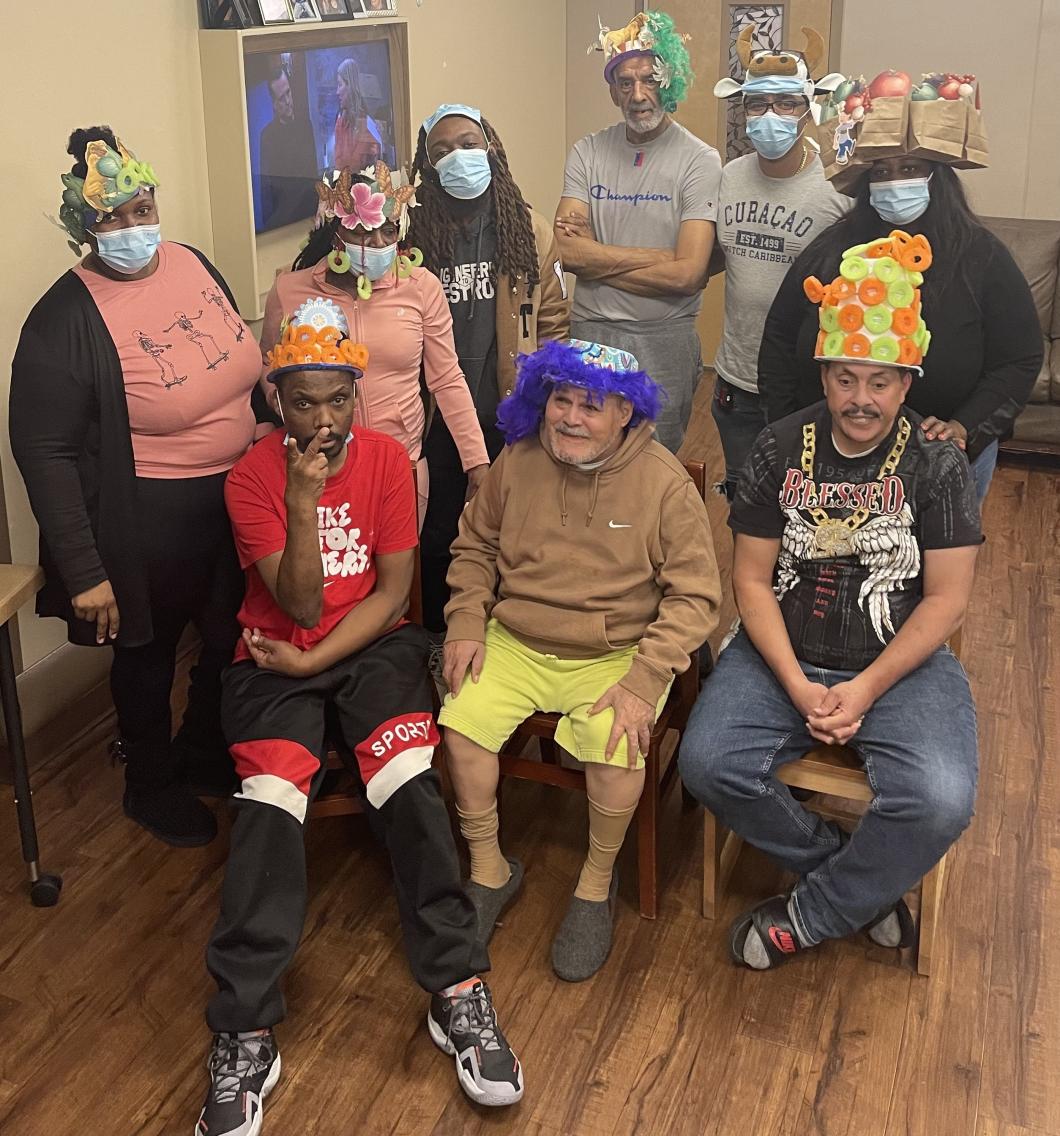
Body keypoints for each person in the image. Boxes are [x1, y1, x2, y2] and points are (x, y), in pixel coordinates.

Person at [195, 303, 522, 1136]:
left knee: (409, 779)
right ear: (277, 403)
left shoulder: (384, 462)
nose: (325, 421)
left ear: (356, 394)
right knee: (271, 798)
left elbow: (388, 592)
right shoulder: (251, 478)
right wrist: (303, 504)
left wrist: (320, 656)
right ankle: (245, 1028)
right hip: (273, 654)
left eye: (338, 399)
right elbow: (297, 603)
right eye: (304, 402)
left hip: (369, 644)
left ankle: (457, 990)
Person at [679, 232, 982, 970]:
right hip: (783, 648)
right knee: (707, 762)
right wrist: (794, 682)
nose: (861, 400)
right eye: (845, 380)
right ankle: (860, 880)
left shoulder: (938, 466)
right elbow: (749, 579)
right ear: (825, 375)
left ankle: (811, 913)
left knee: (941, 798)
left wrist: (865, 688)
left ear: (906, 383)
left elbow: (946, 599)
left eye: (879, 383)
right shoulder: (779, 449)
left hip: (900, 662)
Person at [10, 127, 270, 847]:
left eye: (142, 209)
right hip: (147, 522)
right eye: (112, 218)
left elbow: (242, 365)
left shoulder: (190, 262)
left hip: (234, 499)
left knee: (229, 635)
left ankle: (203, 747)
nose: (134, 228)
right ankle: (149, 782)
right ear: (84, 230)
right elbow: (46, 451)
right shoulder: (65, 317)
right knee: (147, 657)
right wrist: (88, 572)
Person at [439, 340, 721, 981]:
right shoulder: (517, 461)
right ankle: (490, 869)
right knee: (461, 724)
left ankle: (595, 886)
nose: (569, 417)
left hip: (615, 649)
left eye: (590, 406)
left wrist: (646, 679)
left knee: (616, 738)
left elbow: (696, 595)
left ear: (624, 410)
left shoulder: (664, 483)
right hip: (515, 637)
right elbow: (475, 546)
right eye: (559, 400)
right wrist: (463, 622)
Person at [758, 71, 1041, 501]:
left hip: (942, 462)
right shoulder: (832, 248)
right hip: (827, 461)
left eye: (910, 169)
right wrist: (788, 431)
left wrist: (967, 426)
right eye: (882, 172)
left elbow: (1019, 358)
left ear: (938, 176)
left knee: (935, 567)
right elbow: (778, 339)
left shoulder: (983, 256)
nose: (895, 183)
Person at [409, 102, 570, 652]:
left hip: (508, 409)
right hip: (434, 415)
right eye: (442, 151)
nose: (458, 157)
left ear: (492, 148)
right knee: (438, 531)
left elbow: (553, 325)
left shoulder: (528, 228)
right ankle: (437, 633)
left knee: (508, 527)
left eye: (469, 144)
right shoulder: (411, 234)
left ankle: (500, 630)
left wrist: (544, 404)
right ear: (426, 168)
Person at [259, 162, 489, 518]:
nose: (380, 244)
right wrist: (289, 410)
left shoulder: (421, 287)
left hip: (402, 463)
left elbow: (446, 377)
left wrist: (476, 462)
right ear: (337, 233)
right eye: (365, 233)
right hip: (319, 466)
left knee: (400, 570)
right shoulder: (290, 290)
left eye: (389, 231)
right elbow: (268, 365)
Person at [555, 9, 720, 452]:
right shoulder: (587, 151)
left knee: (654, 463)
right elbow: (568, 256)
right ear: (612, 91)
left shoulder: (699, 161)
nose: (638, 94)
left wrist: (598, 259)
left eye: (650, 79)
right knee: (584, 451)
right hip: (591, 331)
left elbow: (688, 276)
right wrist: (663, 258)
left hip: (663, 339)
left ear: (669, 83)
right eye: (625, 83)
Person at [709, 24, 848, 498]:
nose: (772, 115)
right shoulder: (729, 176)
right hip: (736, 378)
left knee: (804, 507)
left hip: (806, 382)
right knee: (745, 501)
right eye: (758, 104)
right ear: (743, 109)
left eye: (787, 103)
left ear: (809, 108)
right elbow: (709, 256)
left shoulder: (837, 184)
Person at [257, 58, 321, 230]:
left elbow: (313, 172)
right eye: (281, 98)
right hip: (284, 218)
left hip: (310, 213)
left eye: (289, 93)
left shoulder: (305, 124)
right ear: (273, 104)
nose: (288, 101)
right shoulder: (267, 136)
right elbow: (267, 188)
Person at [331, 57, 383, 173]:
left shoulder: (368, 124)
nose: (337, 92)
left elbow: (372, 168)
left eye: (340, 85)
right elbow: (338, 163)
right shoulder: (340, 122)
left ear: (351, 86)